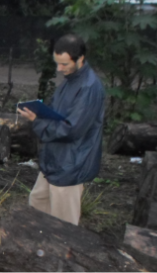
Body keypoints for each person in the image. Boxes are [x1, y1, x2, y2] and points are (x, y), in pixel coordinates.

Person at [17, 34, 105, 226]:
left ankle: (63, 254)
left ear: (80, 58)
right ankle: (39, 250)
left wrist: (37, 121)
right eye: (57, 63)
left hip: (71, 164)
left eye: (64, 64)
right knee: (37, 204)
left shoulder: (89, 88)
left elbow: (71, 130)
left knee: (64, 225)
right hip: (54, 159)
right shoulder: (71, 79)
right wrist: (39, 111)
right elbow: (57, 114)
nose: (59, 69)